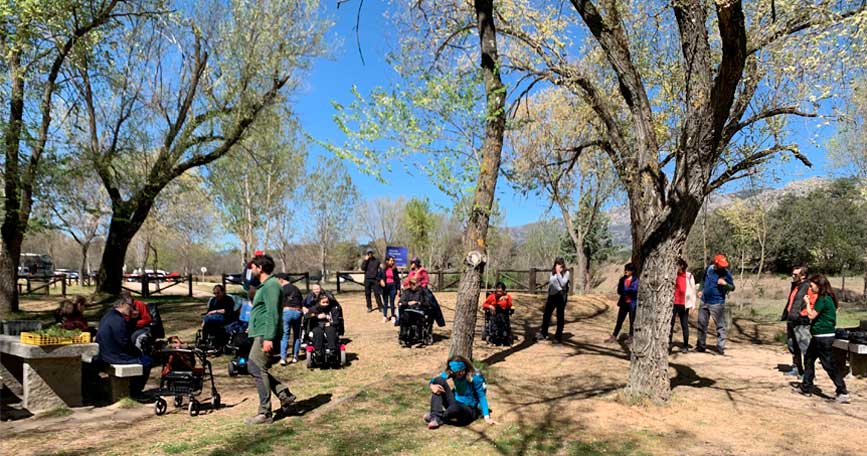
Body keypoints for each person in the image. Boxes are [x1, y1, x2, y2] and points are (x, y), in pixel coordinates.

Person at [245, 254, 295, 425]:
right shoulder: (265, 286)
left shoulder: (272, 285)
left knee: (256, 367)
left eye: (252, 267)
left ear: (260, 268)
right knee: (256, 367)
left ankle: (265, 413)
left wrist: (268, 338)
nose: (250, 270)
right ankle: (284, 395)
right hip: (260, 332)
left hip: (266, 334)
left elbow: (273, 313)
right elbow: (263, 311)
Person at [797, 274, 850, 404]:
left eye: (811, 285)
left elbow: (811, 316)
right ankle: (807, 387)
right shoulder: (830, 298)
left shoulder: (822, 299)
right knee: (809, 359)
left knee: (828, 365)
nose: (810, 287)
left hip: (823, 337)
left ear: (819, 285)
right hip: (819, 336)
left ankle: (842, 392)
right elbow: (835, 310)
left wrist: (808, 303)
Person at [95, 297, 152, 397]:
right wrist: (137, 352)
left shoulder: (108, 316)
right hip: (114, 356)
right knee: (147, 361)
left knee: (141, 357)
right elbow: (124, 342)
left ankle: (133, 389)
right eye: (130, 306)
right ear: (122, 305)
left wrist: (132, 319)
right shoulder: (118, 320)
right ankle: (136, 392)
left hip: (105, 352)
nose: (132, 308)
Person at [424, 356, 496, 429]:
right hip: (455, 402)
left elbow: (481, 396)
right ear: (452, 371)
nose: (460, 374)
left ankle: (438, 417)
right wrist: (432, 385)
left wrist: (487, 417)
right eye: (457, 373)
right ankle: (435, 417)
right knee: (439, 381)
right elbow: (435, 379)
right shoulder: (451, 372)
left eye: (462, 371)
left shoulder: (475, 376)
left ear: (466, 367)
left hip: (469, 409)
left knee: (455, 408)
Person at [695, 254, 735, 355]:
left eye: (724, 264)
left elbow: (732, 287)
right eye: (721, 264)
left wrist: (725, 284)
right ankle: (701, 346)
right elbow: (703, 280)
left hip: (717, 303)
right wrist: (700, 290)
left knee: (720, 326)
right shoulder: (708, 269)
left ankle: (720, 347)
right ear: (716, 263)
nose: (724, 266)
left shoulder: (726, 274)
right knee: (701, 325)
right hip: (704, 301)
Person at [781, 265, 813, 377]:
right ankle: (797, 369)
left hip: (801, 322)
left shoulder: (809, 286)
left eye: (796, 274)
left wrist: (804, 313)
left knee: (805, 347)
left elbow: (813, 302)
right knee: (792, 345)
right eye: (792, 273)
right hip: (791, 319)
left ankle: (808, 374)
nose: (792, 276)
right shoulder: (795, 286)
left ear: (803, 275)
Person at [537, 258, 570, 343]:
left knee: (560, 316)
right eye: (556, 264)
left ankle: (558, 336)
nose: (558, 266)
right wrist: (549, 295)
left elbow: (563, 283)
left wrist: (559, 273)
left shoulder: (566, 273)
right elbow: (551, 284)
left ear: (563, 265)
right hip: (552, 296)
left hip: (561, 295)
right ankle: (544, 333)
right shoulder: (552, 273)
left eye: (560, 264)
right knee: (546, 315)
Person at [275, 273, 303, 366]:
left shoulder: (282, 289)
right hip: (298, 312)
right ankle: (295, 356)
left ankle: (283, 358)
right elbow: (301, 301)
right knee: (296, 336)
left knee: (285, 335)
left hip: (287, 312)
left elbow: (278, 302)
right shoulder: (296, 289)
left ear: (281, 280)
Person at [606, 263, 638, 344]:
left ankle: (631, 337)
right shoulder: (622, 279)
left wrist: (626, 291)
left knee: (632, 321)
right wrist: (626, 291)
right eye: (625, 269)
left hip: (632, 303)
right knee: (619, 321)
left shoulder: (636, 280)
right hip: (623, 303)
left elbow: (634, 290)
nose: (626, 271)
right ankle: (614, 336)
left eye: (628, 270)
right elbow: (619, 291)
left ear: (632, 271)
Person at [669, 258, 697, 352]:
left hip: (684, 304)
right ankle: (669, 344)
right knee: (670, 324)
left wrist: (693, 304)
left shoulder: (689, 276)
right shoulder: (672, 275)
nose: (675, 267)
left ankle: (685, 345)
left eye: (677, 265)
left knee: (684, 324)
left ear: (681, 266)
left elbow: (693, 290)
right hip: (673, 303)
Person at [307, 293, 344, 357]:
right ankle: (318, 351)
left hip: (330, 325)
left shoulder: (333, 308)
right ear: (319, 302)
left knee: (331, 330)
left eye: (327, 302)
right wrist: (316, 315)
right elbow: (307, 316)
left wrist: (330, 323)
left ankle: (332, 350)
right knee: (318, 331)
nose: (325, 304)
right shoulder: (314, 309)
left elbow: (337, 320)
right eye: (323, 302)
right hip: (317, 325)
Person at [361, 248, 383, 313]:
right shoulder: (365, 261)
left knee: (377, 293)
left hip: (375, 279)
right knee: (367, 294)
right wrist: (365, 260)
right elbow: (362, 268)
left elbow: (381, 269)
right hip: (367, 279)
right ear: (367, 254)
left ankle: (380, 306)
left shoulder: (377, 260)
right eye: (368, 253)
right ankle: (369, 307)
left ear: (372, 253)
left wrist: (380, 277)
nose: (370, 254)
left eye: (371, 253)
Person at [381, 256, 401, 323]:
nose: (392, 262)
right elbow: (378, 277)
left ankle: (392, 316)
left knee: (392, 302)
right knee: (385, 302)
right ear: (387, 261)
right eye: (391, 260)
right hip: (385, 287)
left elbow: (397, 279)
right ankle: (385, 316)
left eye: (393, 261)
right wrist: (381, 281)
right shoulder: (383, 269)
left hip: (393, 286)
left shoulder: (394, 269)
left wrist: (398, 288)